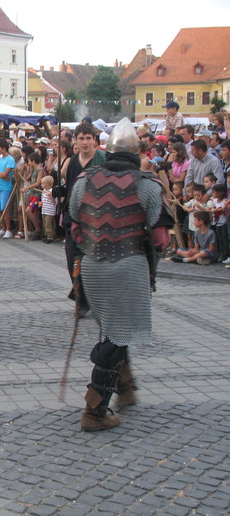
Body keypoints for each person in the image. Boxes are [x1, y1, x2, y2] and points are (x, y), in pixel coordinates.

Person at [68, 118, 171, 432]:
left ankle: (125, 389)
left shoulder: (85, 180)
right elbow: (161, 239)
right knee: (116, 335)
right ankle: (94, 409)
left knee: (115, 327)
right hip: (129, 267)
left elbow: (74, 224)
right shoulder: (148, 184)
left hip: (93, 268)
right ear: (137, 152)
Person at [57, 122, 107, 283]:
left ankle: (94, 297)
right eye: (81, 138)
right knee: (72, 259)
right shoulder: (71, 162)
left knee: (95, 261)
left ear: (94, 140)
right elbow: (71, 187)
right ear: (75, 141)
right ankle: (79, 295)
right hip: (74, 218)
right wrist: (61, 191)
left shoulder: (104, 159)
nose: (85, 142)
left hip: (98, 218)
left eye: (88, 138)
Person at [40, 175, 57, 244]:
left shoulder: (52, 191)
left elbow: (54, 202)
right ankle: (46, 235)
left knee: (48, 224)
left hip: (50, 210)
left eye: (42, 184)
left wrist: (50, 196)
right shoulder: (43, 191)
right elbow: (42, 200)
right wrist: (40, 204)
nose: (41, 185)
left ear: (47, 185)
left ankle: (50, 236)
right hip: (44, 209)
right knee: (44, 223)